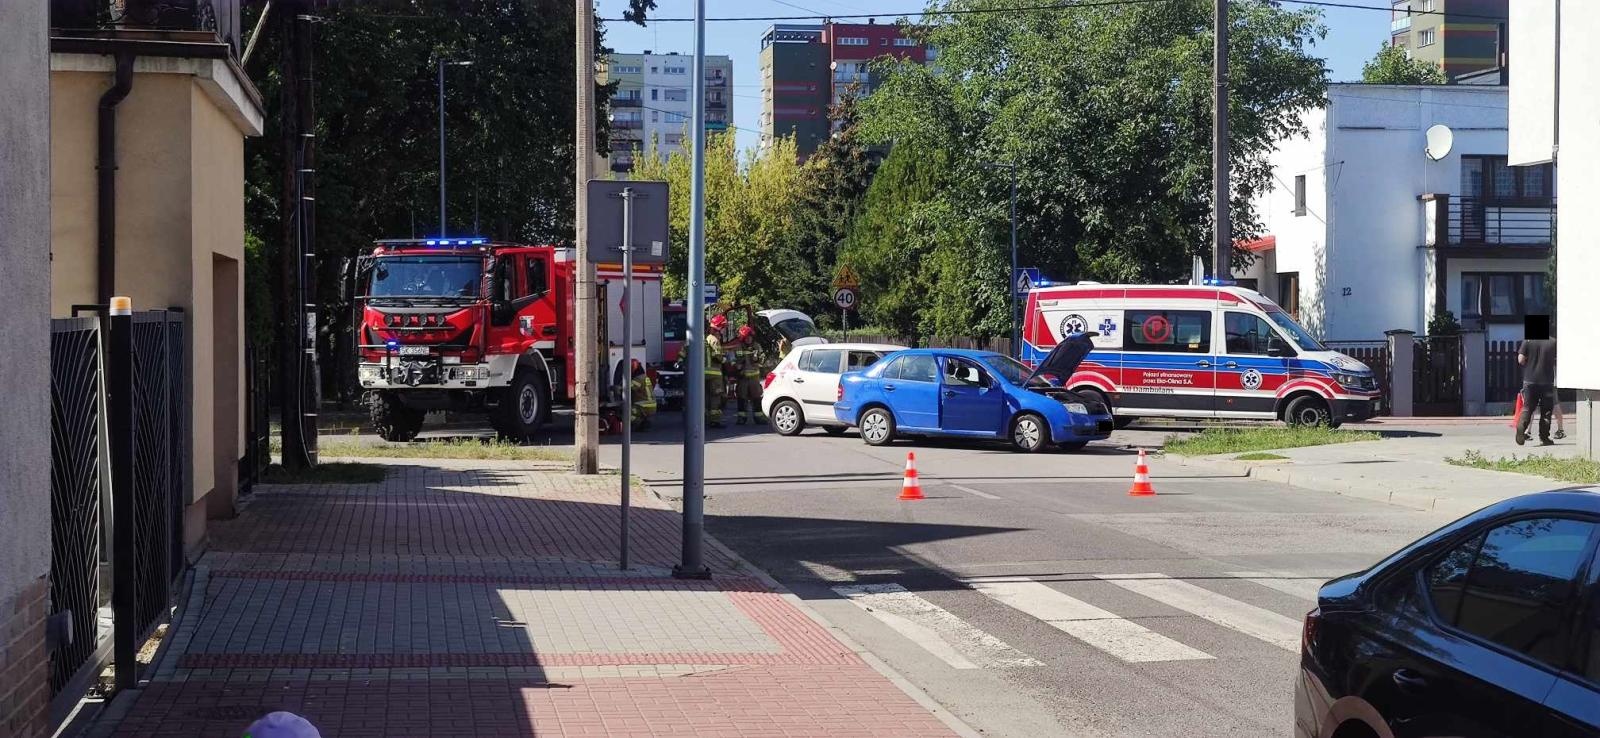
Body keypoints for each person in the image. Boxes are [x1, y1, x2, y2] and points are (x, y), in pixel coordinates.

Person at [1515, 319, 1557, 446]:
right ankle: (1544, 438)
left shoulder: (1528, 341)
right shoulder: (1553, 342)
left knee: (1527, 407)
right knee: (1546, 410)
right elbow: (1557, 359)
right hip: (1547, 382)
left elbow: (1520, 360)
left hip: (1529, 381)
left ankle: (1522, 426)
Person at [731, 324, 766, 425]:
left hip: (754, 378)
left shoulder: (757, 346)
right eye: (746, 337)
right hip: (742, 378)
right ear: (742, 338)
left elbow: (762, 358)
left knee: (756, 398)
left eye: (750, 337)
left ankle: (758, 417)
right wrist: (736, 367)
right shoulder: (738, 347)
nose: (748, 339)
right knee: (742, 398)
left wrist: (758, 361)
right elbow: (732, 359)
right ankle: (742, 418)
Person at [705, 314, 727, 428]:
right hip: (714, 373)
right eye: (723, 327)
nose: (723, 330)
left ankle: (706, 419)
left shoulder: (707, 338)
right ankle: (715, 421)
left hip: (704, 373)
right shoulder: (715, 340)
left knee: (706, 397)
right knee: (716, 396)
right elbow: (718, 356)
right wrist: (724, 359)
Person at [630, 359, 657, 430]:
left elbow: (628, 389)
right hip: (650, 405)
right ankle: (643, 421)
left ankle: (641, 423)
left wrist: (616, 388)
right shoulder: (644, 377)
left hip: (643, 405)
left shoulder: (638, 379)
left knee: (627, 414)